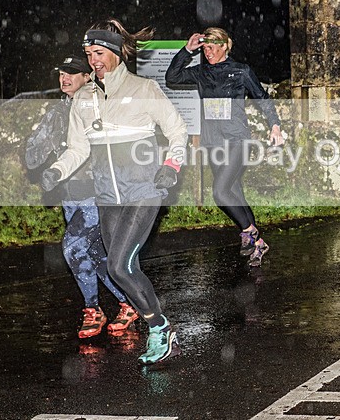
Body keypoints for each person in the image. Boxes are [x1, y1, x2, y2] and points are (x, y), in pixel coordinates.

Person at [41, 19, 188, 365]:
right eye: (89, 53)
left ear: (117, 52)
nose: (94, 60)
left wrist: (171, 166)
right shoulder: (84, 98)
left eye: (100, 52)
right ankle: (156, 324)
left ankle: (161, 328)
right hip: (108, 197)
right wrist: (56, 171)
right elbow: (77, 149)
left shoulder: (143, 89)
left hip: (144, 190)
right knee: (118, 265)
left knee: (120, 266)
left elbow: (177, 130)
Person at [25, 55, 138, 339]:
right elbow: (35, 148)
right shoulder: (57, 110)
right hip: (69, 195)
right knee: (94, 253)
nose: (65, 79)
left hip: (96, 194)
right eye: (62, 74)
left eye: (72, 74)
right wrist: (37, 154)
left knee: (71, 247)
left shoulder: (98, 104)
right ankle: (128, 303)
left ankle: (93, 310)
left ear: (87, 77)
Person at [166, 27, 284, 264]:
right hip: (213, 143)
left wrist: (275, 125)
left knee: (220, 193)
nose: (207, 52)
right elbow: (172, 78)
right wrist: (187, 50)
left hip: (238, 140)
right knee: (234, 191)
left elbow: (262, 97)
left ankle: (250, 234)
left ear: (224, 46)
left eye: (212, 47)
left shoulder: (240, 71)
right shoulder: (201, 72)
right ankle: (256, 242)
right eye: (205, 47)